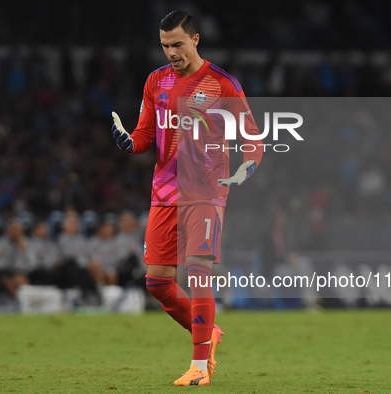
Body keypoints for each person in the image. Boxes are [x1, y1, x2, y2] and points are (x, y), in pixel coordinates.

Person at [110, 10, 262, 386]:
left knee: (198, 271)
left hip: (206, 192)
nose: (171, 52)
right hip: (164, 192)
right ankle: (210, 334)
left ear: (195, 40)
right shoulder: (155, 82)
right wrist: (129, 142)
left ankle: (198, 364)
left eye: (177, 44)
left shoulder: (222, 84)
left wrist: (246, 167)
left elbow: (253, 139)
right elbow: (145, 136)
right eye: (164, 46)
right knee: (158, 284)